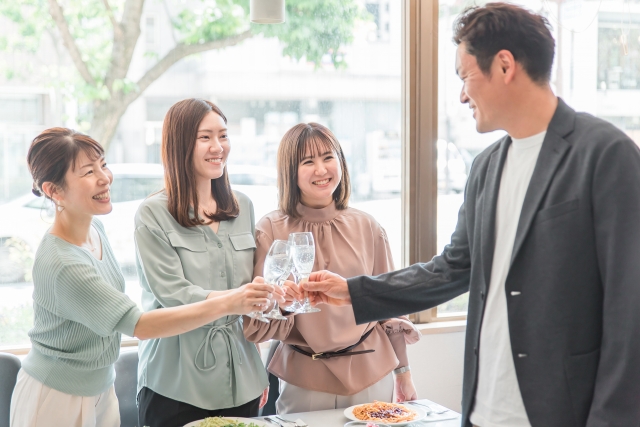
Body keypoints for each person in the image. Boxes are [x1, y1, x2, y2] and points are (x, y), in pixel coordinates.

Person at [303, 4, 640, 427]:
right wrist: (352, 291)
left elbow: (630, 310)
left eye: (464, 77)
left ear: (504, 65)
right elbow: (451, 270)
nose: (462, 95)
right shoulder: (486, 167)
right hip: (485, 410)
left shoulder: (606, 155)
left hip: (563, 411)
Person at [10, 128, 278, 427]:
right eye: (88, 171)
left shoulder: (94, 231)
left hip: (100, 387)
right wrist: (232, 302)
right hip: (56, 397)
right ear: (53, 190)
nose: (104, 178)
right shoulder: (63, 263)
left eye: (103, 165)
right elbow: (139, 325)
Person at [243, 122, 421, 415]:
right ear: (290, 170)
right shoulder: (270, 230)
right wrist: (285, 306)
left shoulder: (368, 227)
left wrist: (403, 372)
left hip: (371, 371)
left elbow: (389, 306)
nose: (321, 169)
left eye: (328, 157)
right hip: (304, 378)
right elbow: (257, 318)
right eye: (308, 161)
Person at [134, 99, 277, 427]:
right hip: (176, 386)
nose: (218, 147)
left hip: (244, 380)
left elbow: (255, 290)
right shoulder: (153, 214)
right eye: (205, 137)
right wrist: (237, 300)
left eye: (223, 136)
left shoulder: (243, 206)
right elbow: (174, 294)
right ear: (180, 144)